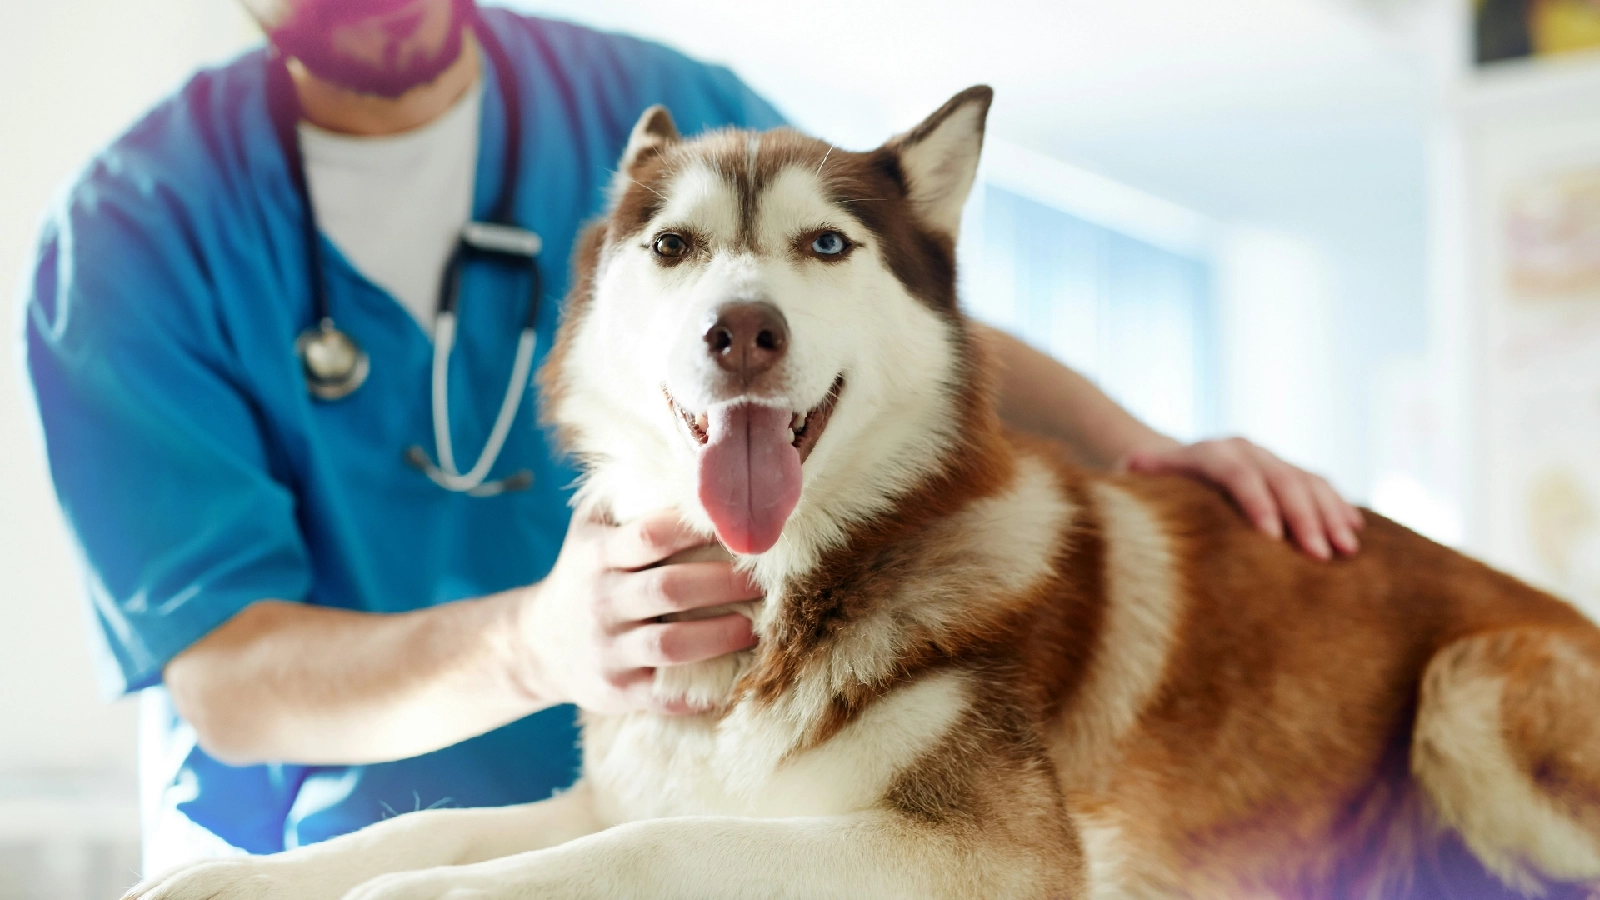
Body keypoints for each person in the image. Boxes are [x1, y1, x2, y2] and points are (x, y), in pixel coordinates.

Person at [20, 0, 1364, 874]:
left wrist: (1146, 445)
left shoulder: (652, 95)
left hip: (713, 813)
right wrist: (535, 647)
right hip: (357, 829)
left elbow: (876, 323)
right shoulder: (135, 239)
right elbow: (230, 679)